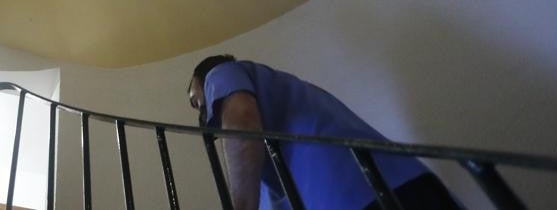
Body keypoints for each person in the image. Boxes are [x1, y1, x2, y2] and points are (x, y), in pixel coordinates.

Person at [188, 55, 461, 210]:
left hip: (354, 195)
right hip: (398, 179)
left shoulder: (221, 74)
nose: (198, 107)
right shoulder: (283, 110)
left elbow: (242, 118)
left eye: (194, 98)